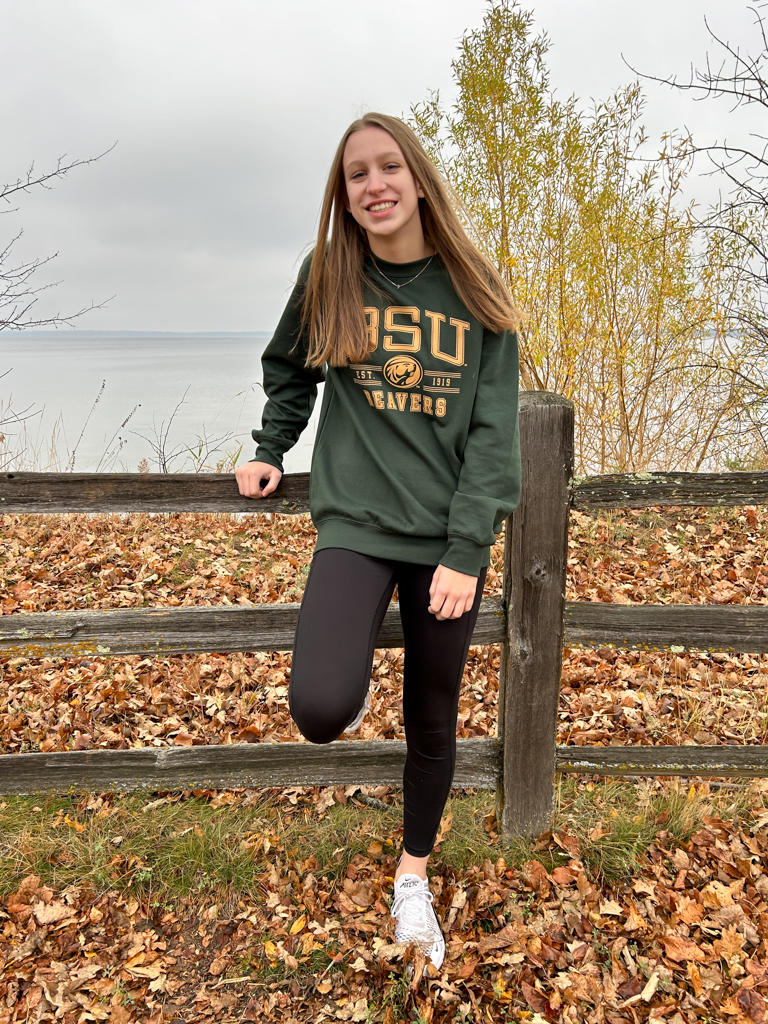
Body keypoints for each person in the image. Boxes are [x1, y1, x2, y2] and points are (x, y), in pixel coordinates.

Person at [235, 112, 521, 969]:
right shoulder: (329, 274)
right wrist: (268, 448)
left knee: (432, 717)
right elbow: (289, 366)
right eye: (356, 174)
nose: (374, 185)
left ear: (419, 176)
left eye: (388, 166)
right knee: (321, 709)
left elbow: (494, 437)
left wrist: (469, 549)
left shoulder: (475, 291)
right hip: (356, 524)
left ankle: (413, 878)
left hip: (444, 542)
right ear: (344, 191)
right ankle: (344, 674)